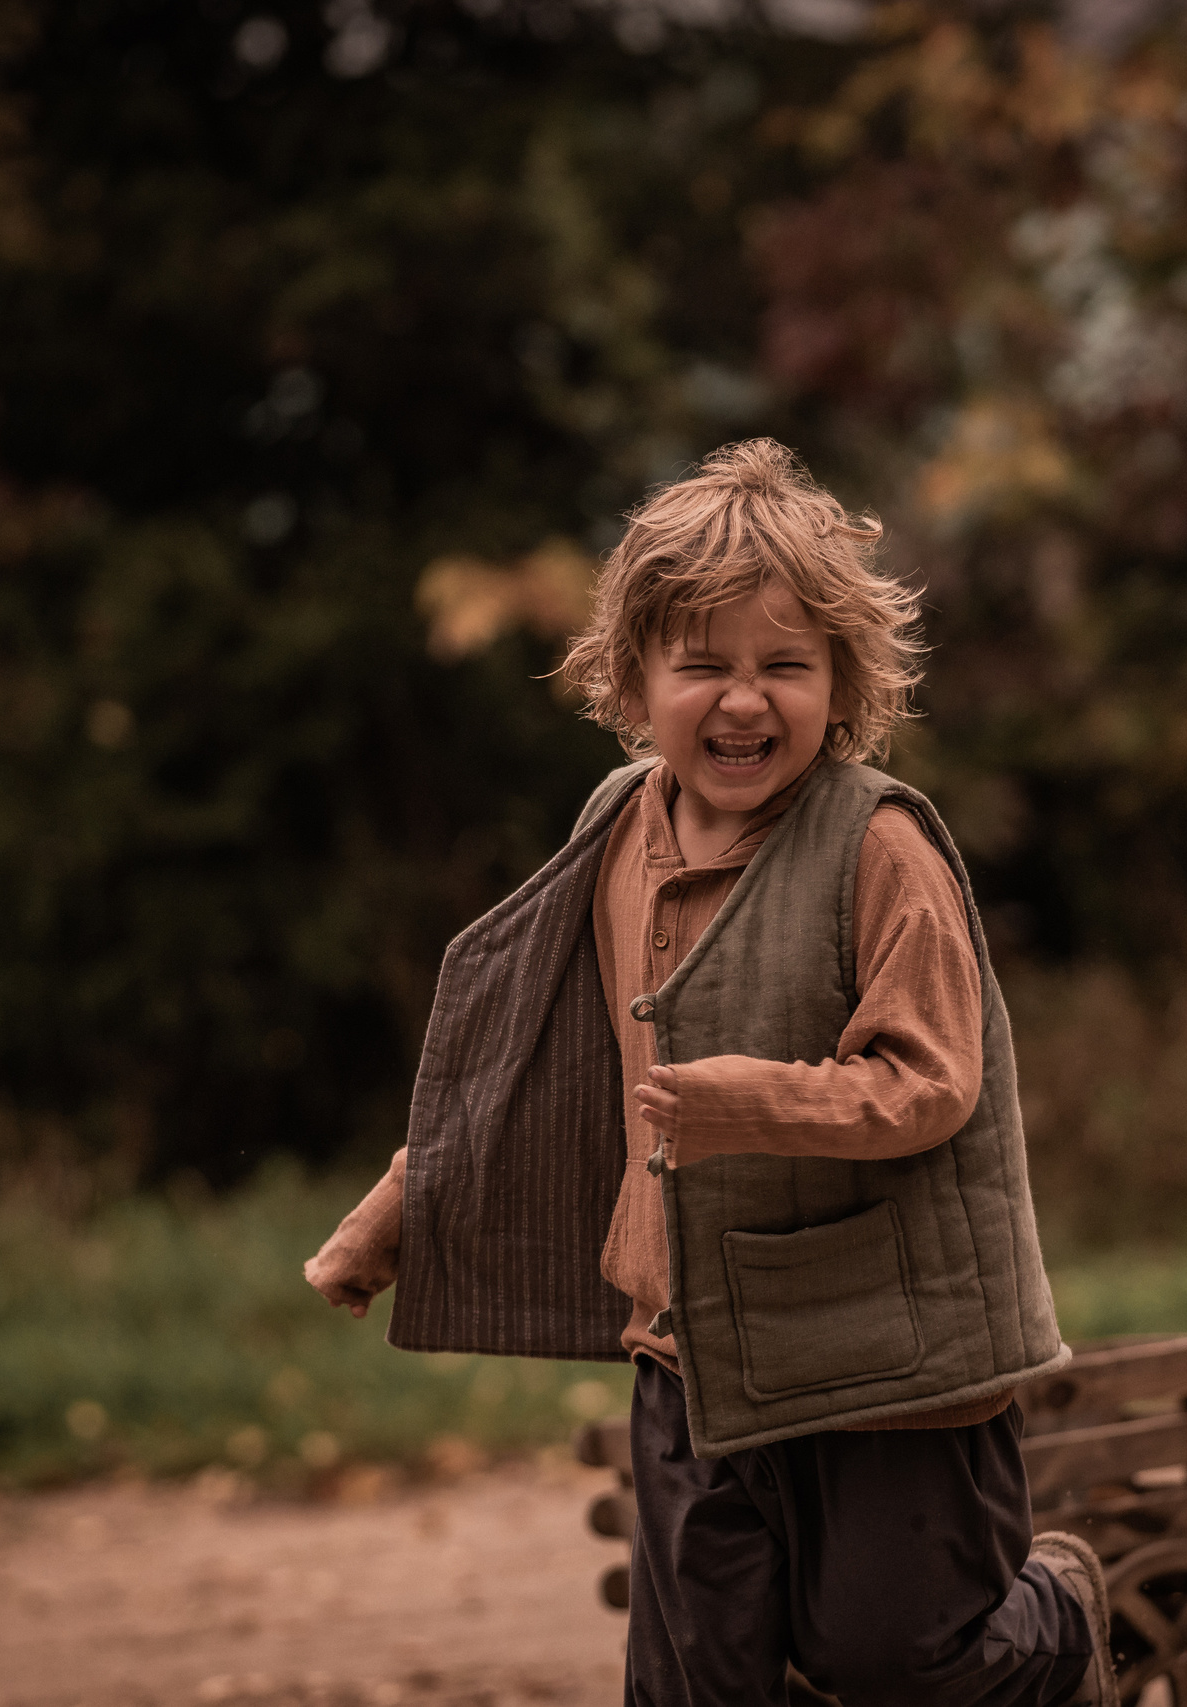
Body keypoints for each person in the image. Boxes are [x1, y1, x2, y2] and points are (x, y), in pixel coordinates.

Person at [306, 440, 1116, 1707]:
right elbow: (549, 1072)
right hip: (692, 1346)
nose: (746, 701)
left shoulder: (879, 846)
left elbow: (930, 1083)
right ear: (633, 679)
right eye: (705, 667)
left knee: (893, 1659)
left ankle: (1060, 1615)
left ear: (841, 682)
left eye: (785, 666)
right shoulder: (616, 829)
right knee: (700, 1684)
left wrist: (753, 1101)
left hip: (883, 1360)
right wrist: (398, 1211)